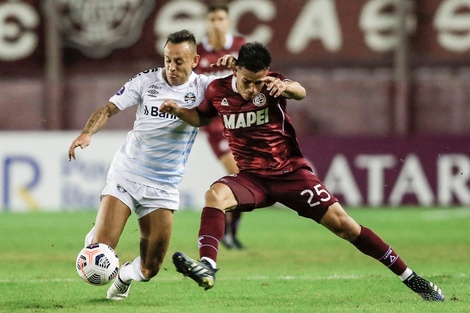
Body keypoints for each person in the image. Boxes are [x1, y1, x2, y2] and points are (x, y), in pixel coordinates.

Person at [159, 42, 445, 301]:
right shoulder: (217, 90)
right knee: (215, 195)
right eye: (248, 82)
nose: (254, 89)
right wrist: (178, 110)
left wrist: (286, 88)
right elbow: (200, 117)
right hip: (252, 178)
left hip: (291, 175)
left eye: (260, 82)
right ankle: (208, 267)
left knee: (346, 227)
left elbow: (300, 91)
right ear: (236, 72)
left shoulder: (273, 85)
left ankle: (412, 279)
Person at [68, 29, 227, 301]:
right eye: (167, 59)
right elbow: (109, 108)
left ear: (194, 60)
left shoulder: (203, 87)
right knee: (101, 250)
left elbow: (243, 86)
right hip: (127, 174)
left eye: (179, 61)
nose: (171, 67)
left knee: (150, 267)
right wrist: (87, 132)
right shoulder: (146, 81)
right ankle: (98, 238)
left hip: (163, 186)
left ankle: (124, 278)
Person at [195, 3, 246, 249]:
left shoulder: (240, 48)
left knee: (246, 177)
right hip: (215, 127)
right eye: (212, 19)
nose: (216, 23)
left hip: (242, 124)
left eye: (220, 19)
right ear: (207, 22)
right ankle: (227, 232)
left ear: (228, 22)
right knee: (240, 173)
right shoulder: (197, 53)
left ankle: (229, 231)